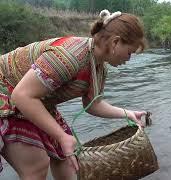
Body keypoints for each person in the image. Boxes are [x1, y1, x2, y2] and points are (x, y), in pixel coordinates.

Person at [0, 9, 147, 180]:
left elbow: (93, 105)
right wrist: (61, 136)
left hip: (36, 99)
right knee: (37, 166)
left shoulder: (98, 66)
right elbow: (21, 96)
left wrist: (128, 114)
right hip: (8, 92)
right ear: (115, 42)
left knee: (67, 158)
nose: (129, 59)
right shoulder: (70, 56)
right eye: (129, 52)